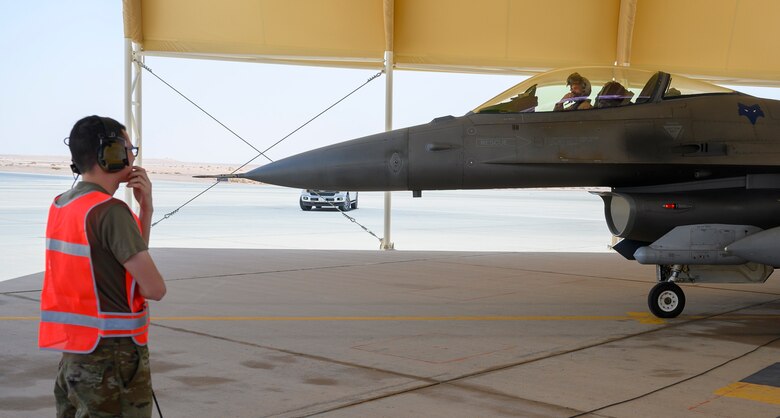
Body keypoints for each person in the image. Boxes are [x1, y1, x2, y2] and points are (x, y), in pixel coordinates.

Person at [40, 115, 167, 417]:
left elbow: (122, 271)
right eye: (128, 148)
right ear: (110, 153)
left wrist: (145, 210)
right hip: (114, 362)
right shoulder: (110, 212)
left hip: (76, 358)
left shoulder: (62, 204)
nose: (132, 155)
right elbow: (153, 288)